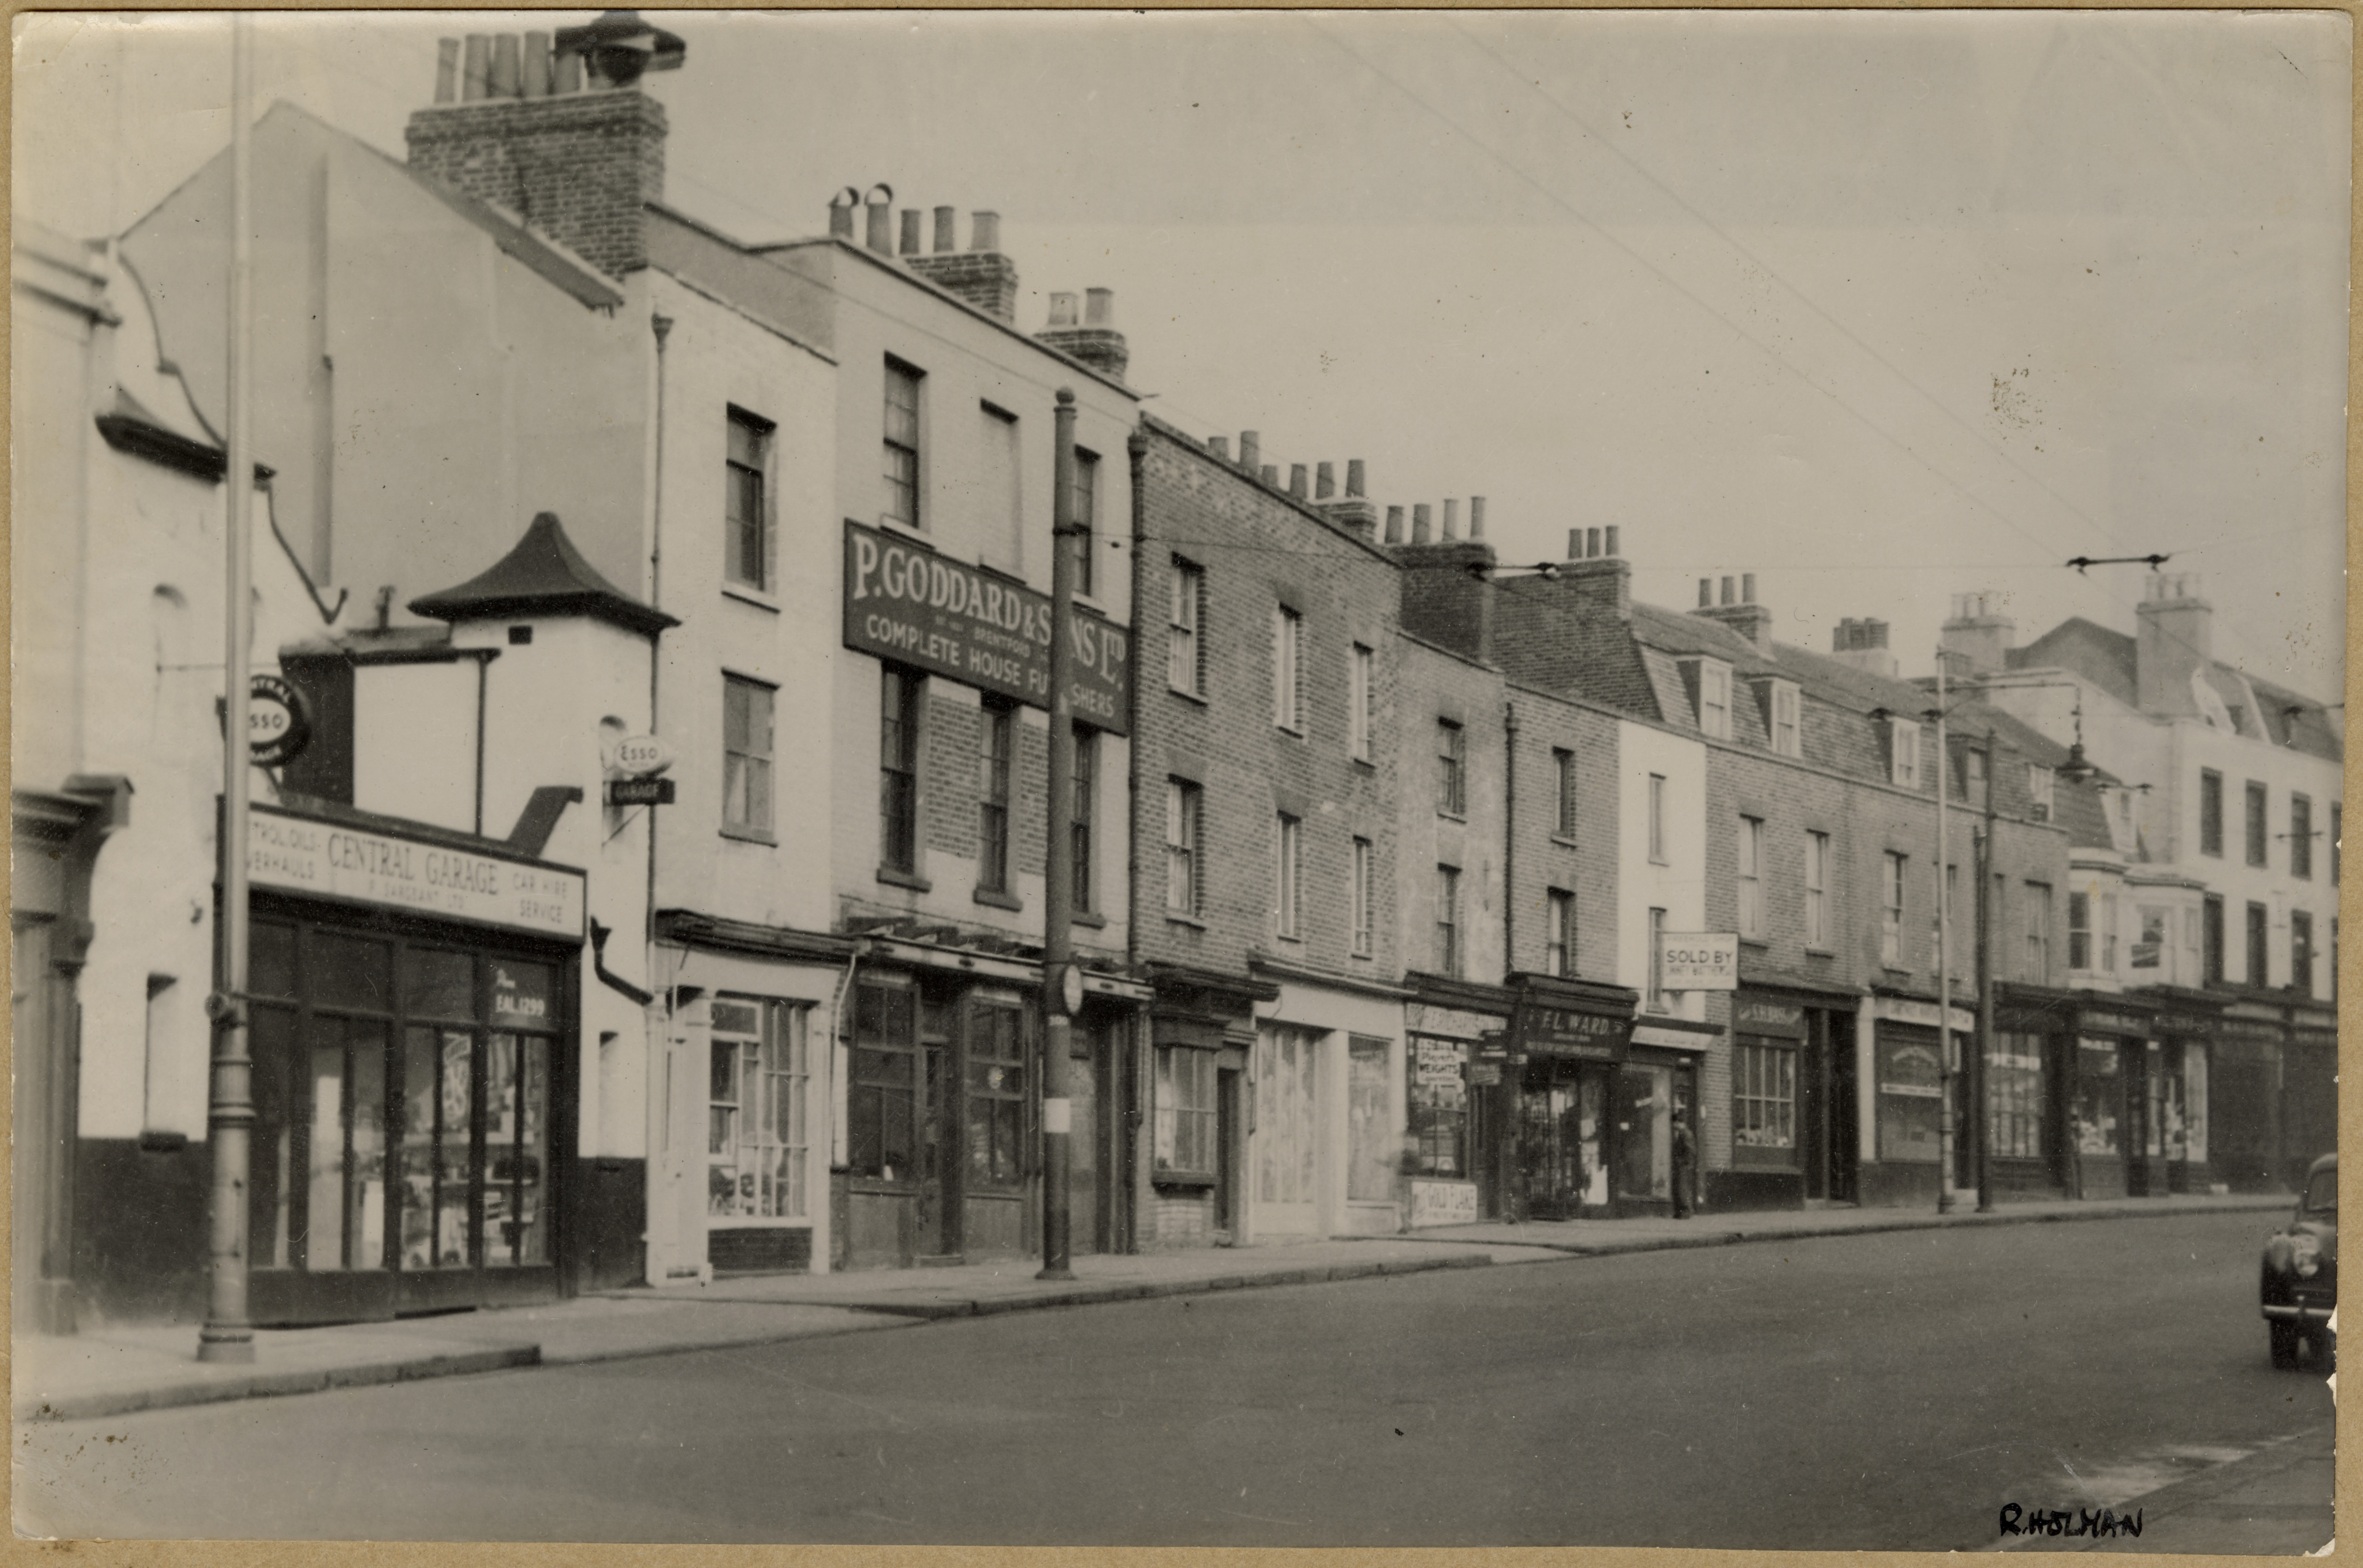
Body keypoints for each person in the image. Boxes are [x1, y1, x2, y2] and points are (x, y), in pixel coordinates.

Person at [1670, 1108, 1697, 1219]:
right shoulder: (1682, 1134)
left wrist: (1682, 1163)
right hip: (1682, 1166)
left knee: (1683, 1188)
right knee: (1679, 1188)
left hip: (1685, 1167)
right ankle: (1681, 1212)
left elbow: (1691, 1151)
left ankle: (1686, 1212)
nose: (1673, 1126)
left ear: (1677, 1123)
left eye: (1674, 1124)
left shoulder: (1686, 1134)